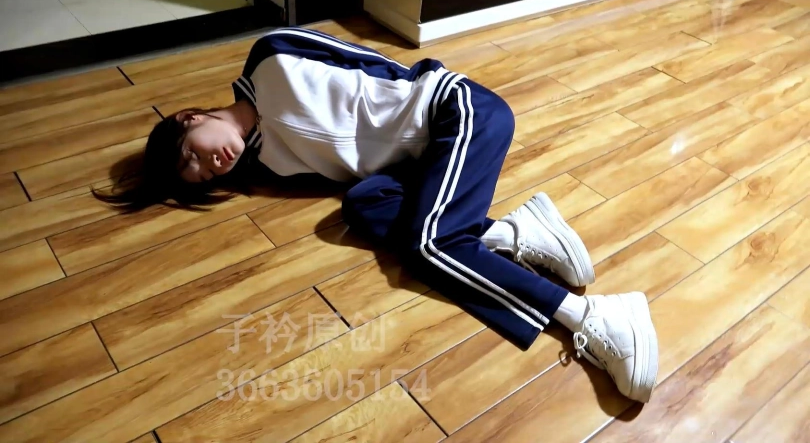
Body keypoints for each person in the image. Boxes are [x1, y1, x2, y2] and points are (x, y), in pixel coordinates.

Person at [96, 27, 659, 403]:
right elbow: (350, 172)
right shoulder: (268, 162)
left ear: (190, 117)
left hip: (452, 112)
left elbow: (375, 64)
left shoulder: (270, 55)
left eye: (192, 153)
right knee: (361, 206)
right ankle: (513, 233)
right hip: (416, 164)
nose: (209, 165)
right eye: (200, 176)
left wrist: (423, 94)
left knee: (429, 244)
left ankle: (593, 316)